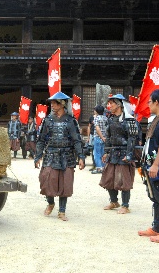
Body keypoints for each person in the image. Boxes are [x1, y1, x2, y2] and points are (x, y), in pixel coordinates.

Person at [34, 92, 85, 221]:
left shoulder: (70, 121)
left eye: (54, 103)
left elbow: (76, 140)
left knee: (65, 183)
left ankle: (62, 211)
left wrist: (81, 156)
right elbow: (41, 140)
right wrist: (38, 156)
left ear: (62, 104)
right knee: (45, 179)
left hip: (67, 156)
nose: (52, 105)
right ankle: (50, 203)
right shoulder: (48, 120)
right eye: (51, 103)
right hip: (50, 155)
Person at [138, 89, 159, 242]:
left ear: (157, 102)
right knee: (156, 197)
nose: (148, 104)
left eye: (150, 101)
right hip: (150, 164)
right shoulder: (157, 119)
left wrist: (156, 164)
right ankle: (157, 227)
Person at [99, 94, 139, 214]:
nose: (109, 106)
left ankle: (125, 205)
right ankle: (114, 201)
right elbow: (108, 137)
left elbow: (132, 139)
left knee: (124, 180)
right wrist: (106, 152)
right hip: (113, 153)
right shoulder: (110, 119)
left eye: (112, 103)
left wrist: (129, 154)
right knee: (109, 178)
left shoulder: (130, 120)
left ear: (119, 105)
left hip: (124, 153)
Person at [91, 105, 108, 174]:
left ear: (96, 111)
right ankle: (103, 167)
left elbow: (97, 129)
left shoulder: (96, 118)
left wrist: (101, 137)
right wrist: (104, 137)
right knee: (103, 153)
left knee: (96, 153)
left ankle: (98, 168)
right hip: (105, 138)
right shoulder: (106, 118)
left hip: (98, 137)